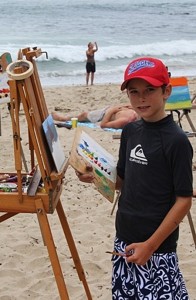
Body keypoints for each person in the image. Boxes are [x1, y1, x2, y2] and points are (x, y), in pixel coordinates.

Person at [75, 57, 193, 299]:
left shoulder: (177, 141)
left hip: (157, 247)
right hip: (124, 237)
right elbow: (123, 181)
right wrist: (95, 177)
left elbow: (184, 201)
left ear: (166, 91)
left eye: (150, 90)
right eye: (134, 92)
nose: (141, 98)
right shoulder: (129, 131)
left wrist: (150, 246)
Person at [52, 103, 138, 129]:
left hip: (105, 114)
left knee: (84, 115)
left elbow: (103, 125)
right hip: (113, 110)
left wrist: (112, 110)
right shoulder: (138, 112)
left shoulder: (125, 120)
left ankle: (63, 119)